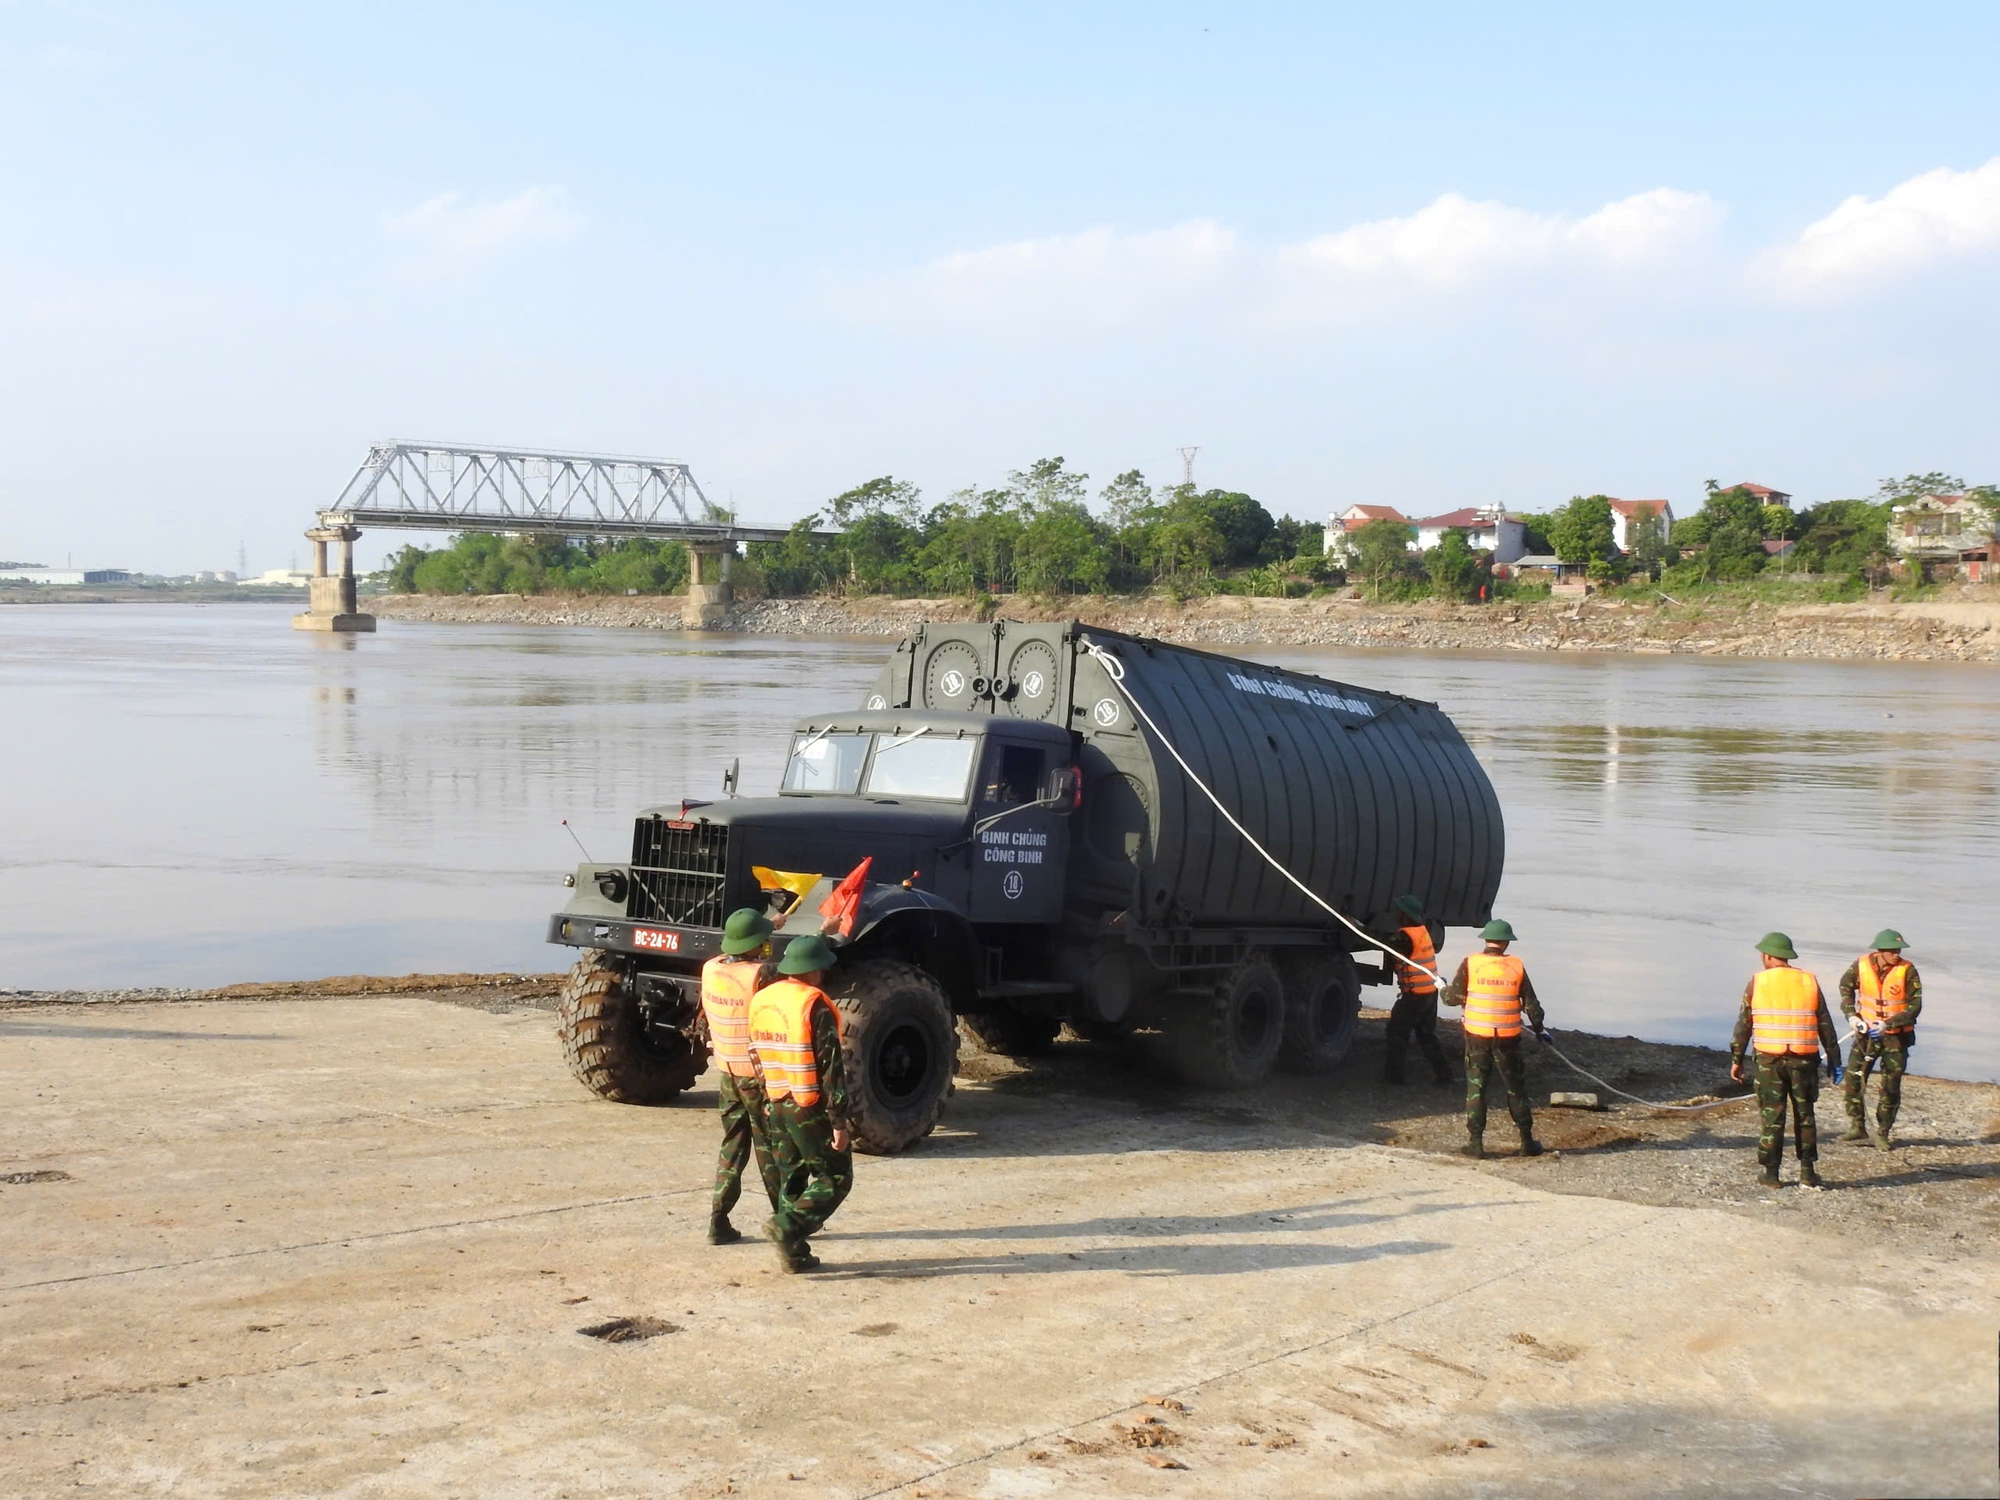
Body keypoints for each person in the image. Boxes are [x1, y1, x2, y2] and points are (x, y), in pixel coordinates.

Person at [747, 933, 853, 1274]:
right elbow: (831, 1068)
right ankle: (788, 1227)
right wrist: (839, 1121)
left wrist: (765, 1098)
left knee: (791, 1176)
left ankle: (794, 1255)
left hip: (775, 1100)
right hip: (808, 1104)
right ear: (815, 970)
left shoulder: (763, 999)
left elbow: (756, 1055)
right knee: (835, 1177)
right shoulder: (814, 1005)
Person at [1728, 932, 1843, 1189]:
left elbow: (1743, 1025)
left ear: (1767, 956)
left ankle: (1771, 1174)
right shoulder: (1809, 981)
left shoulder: (1757, 982)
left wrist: (1737, 1059)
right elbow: (1826, 1025)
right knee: (1805, 1115)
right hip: (1804, 1061)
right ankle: (1807, 1172)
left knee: (1772, 1117)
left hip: (1769, 1061)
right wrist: (1835, 1060)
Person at [699, 908, 782, 1246]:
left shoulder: (710, 968)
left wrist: (767, 926)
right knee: (771, 1148)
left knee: (733, 1146)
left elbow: (731, 954)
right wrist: (823, 933)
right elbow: (797, 972)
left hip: (727, 1071)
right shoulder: (760, 974)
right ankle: (786, 1218)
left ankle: (718, 1219)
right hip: (757, 1077)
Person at [1442, 919, 1550, 1159]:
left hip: (1477, 1036)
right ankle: (1526, 1141)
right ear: (1506, 942)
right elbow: (1532, 1006)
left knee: (1476, 1088)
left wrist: (1443, 990)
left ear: (1486, 940)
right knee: (1515, 1089)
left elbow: (1452, 998)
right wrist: (1540, 1029)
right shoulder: (1516, 966)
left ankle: (1476, 1143)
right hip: (1507, 1039)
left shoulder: (1471, 963)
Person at [1838, 929, 1922, 1150]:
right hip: (1866, 1035)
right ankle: (1857, 1125)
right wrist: (1851, 1016)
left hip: (1896, 1039)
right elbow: (1845, 988)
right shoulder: (1860, 965)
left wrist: (1889, 1024)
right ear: (1880, 951)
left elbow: (1915, 1005)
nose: (1897, 954)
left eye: (1899, 950)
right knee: (1854, 1078)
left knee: (1890, 1085)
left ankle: (1883, 1132)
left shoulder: (1908, 970)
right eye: (1893, 950)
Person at [1381, 894, 1452, 1087]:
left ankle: (1393, 1078)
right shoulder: (1422, 931)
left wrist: (1355, 925)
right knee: (1426, 1035)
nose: (1396, 914)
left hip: (1415, 996)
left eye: (1399, 911)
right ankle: (1444, 1074)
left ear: (1405, 915)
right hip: (1429, 992)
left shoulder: (1405, 937)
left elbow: (1381, 940)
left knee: (1396, 1033)